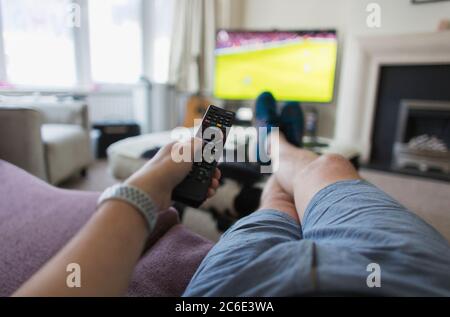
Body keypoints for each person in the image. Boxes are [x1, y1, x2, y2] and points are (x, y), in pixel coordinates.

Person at [14, 94, 450, 297]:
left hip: (234, 290)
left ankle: (274, 141)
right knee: (329, 166)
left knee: (277, 205)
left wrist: (152, 183)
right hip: (400, 280)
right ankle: (278, 141)